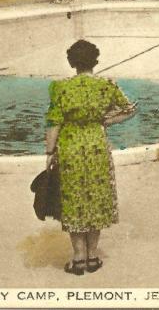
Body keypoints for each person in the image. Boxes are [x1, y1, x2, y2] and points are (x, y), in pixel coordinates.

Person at [45, 40, 136, 276]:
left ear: (72, 62)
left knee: (73, 198)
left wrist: (49, 152)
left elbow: (53, 122)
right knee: (96, 196)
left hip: (70, 146)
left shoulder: (60, 88)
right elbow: (130, 109)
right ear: (95, 61)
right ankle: (93, 256)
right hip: (96, 144)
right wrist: (105, 121)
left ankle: (78, 258)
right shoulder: (107, 85)